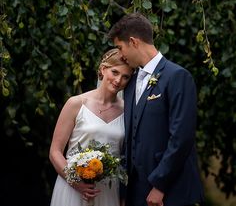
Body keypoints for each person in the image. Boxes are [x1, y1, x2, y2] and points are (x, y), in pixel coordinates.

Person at [108, 13, 205, 206]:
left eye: (120, 47)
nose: (120, 55)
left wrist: (160, 185)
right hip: (135, 193)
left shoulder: (177, 76)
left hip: (169, 193)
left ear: (134, 42)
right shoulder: (131, 81)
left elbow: (181, 137)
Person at [49, 48, 133, 206]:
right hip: (72, 187)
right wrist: (75, 182)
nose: (118, 80)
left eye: (125, 77)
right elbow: (55, 151)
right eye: (115, 72)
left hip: (108, 190)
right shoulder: (76, 103)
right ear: (103, 69)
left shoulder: (128, 111)